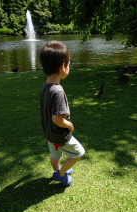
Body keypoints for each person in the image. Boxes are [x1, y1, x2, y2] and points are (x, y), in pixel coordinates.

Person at [39, 40, 85, 186]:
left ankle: (57, 171)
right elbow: (57, 119)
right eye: (69, 63)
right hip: (60, 134)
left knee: (55, 156)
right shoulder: (57, 91)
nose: (69, 66)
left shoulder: (45, 85)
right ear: (62, 67)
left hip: (49, 133)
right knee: (79, 152)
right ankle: (61, 173)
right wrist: (69, 126)